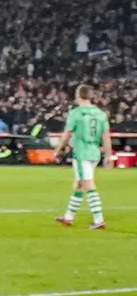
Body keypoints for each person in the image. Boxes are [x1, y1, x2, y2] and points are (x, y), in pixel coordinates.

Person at [56, 83, 110, 229]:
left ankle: (98, 220)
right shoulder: (100, 113)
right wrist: (108, 156)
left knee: (87, 184)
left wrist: (58, 149)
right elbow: (106, 136)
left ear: (78, 96)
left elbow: (67, 134)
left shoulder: (76, 113)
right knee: (79, 184)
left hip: (82, 153)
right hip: (94, 153)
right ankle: (68, 217)